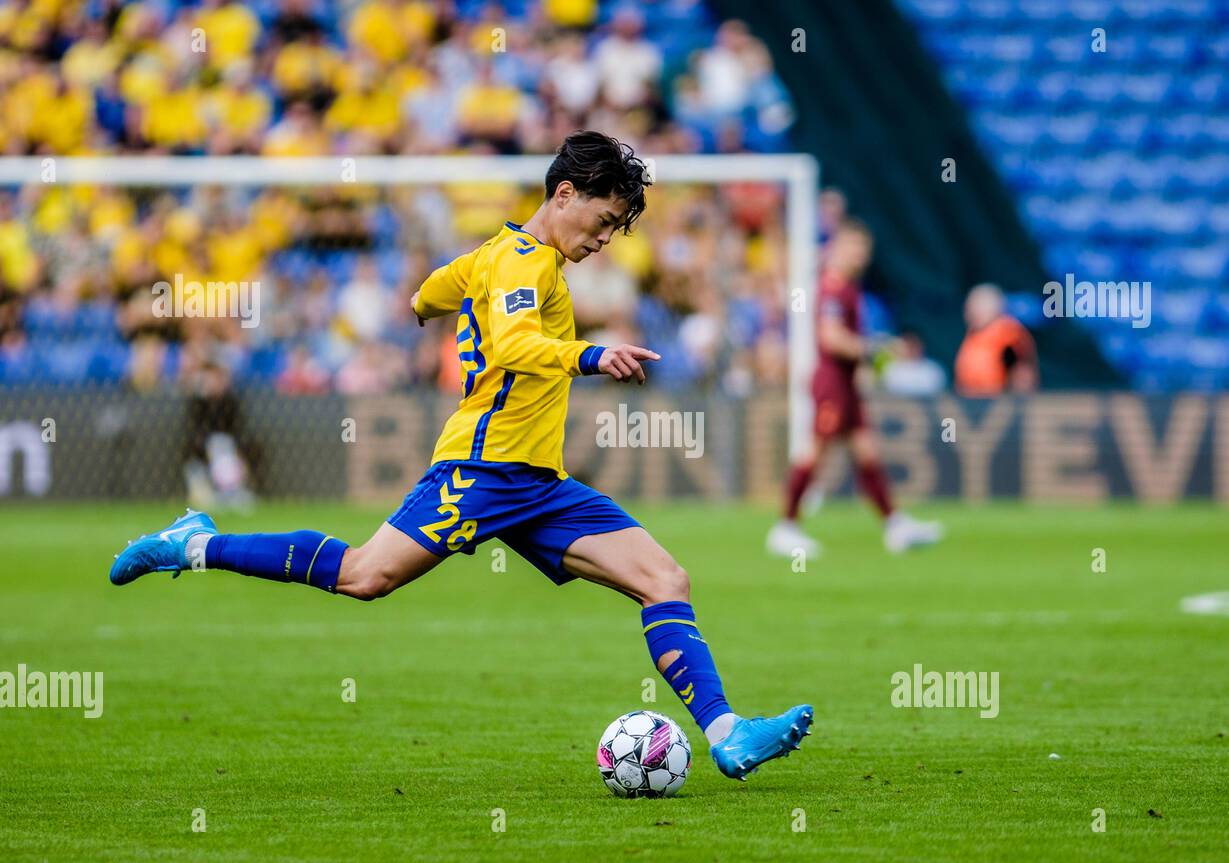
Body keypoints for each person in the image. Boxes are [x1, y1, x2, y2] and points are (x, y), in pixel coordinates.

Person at [110, 131, 812, 782]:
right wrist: (590, 353)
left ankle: (726, 734)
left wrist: (435, 299)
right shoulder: (521, 262)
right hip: (479, 472)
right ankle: (195, 544)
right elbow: (509, 346)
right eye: (603, 220)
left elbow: (427, 294)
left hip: (539, 483)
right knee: (363, 575)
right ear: (563, 193)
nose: (604, 239)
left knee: (664, 578)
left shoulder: (497, 256)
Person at [767, 222, 943, 558]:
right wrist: (877, 349)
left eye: (864, 250)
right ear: (838, 249)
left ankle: (895, 525)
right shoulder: (833, 288)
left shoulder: (847, 287)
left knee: (868, 454)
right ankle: (785, 528)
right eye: (854, 248)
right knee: (814, 454)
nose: (860, 256)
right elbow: (832, 338)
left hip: (845, 385)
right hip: (832, 384)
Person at [954, 283, 1039, 396]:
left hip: (999, 403)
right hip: (973, 402)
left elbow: (1023, 373)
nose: (969, 312)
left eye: (975, 306)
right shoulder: (973, 335)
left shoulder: (1008, 334)